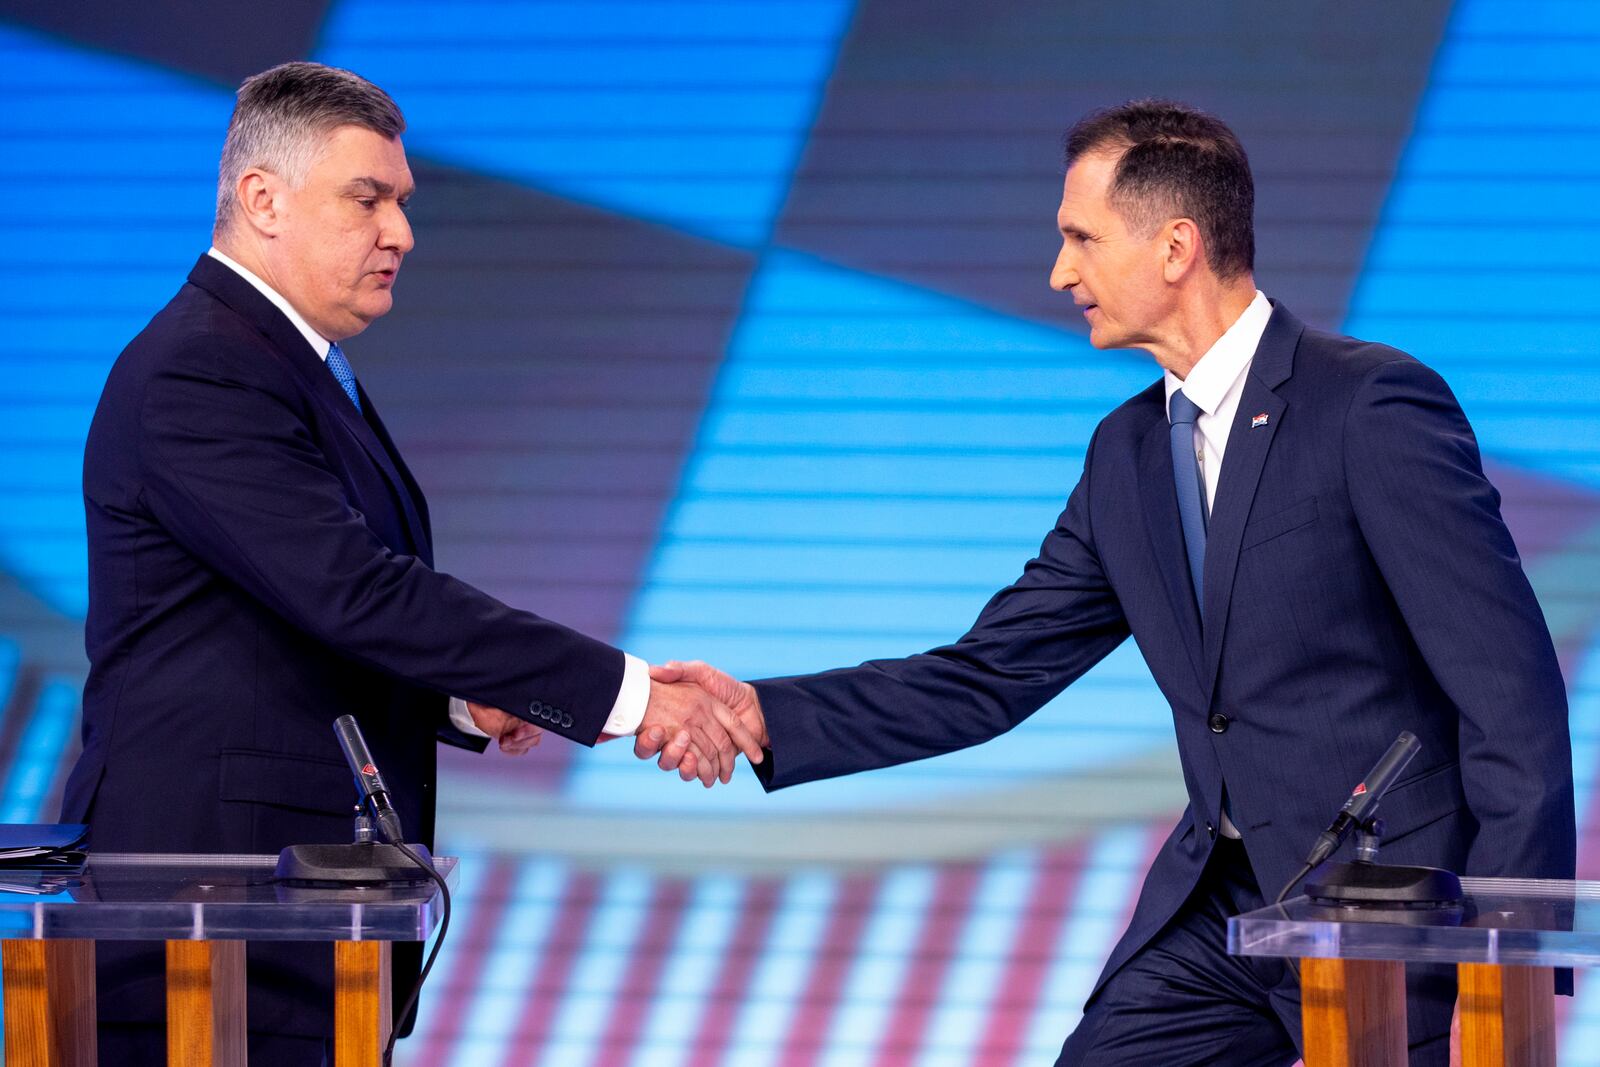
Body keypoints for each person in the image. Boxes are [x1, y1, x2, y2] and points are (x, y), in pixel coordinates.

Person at [647, 100, 1575, 1065]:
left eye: (1080, 238)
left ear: (1176, 246)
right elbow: (986, 673)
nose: (1060, 273)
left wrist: (1501, 967)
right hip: (1226, 903)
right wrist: (760, 712)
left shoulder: (1368, 405)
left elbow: (1511, 693)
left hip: (1388, 903)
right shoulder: (1127, 452)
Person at [66, 61, 759, 1064]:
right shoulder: (203, 367)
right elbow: (354, 591)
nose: (401, 231)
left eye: (400, 200)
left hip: (288, 930)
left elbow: (290, 617)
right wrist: (625, 694)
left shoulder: (289, 367)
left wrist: (462, 701)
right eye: (368, 197)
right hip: (202, 931)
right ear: (263, 199)